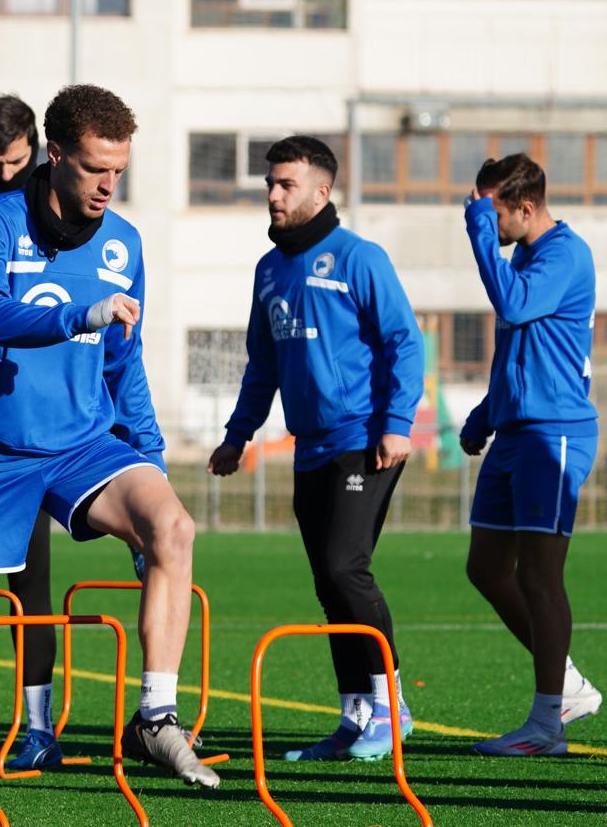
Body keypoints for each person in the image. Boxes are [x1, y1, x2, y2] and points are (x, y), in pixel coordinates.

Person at [0, 84, 217, 827]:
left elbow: (126, 362)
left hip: (83, 444)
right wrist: (74, 314)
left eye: (117, 171)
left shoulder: (124, 244)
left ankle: (155, 716)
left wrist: (147, 456)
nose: (106, 186)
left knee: (173, 529)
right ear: (57, 158)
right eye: (93, 169)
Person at [208, 136, 423, 762]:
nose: (273, 194)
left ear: (321, 191)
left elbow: (403, 343)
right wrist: (238, 434)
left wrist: (397, 422)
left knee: (343, 568)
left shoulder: (360, 257)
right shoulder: (269, 270)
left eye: (286, 185)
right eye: (270, 184)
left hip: (365, 441)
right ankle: (355, 715)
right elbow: (263, 363)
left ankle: (392, 706)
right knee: (329, 587)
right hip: (310, 447)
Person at [460, 153, 602, 756]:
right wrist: (485, 413)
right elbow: (519, 351)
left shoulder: (566, 254)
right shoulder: (520, 256)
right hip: (515, 430)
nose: (485, 223)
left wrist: (478, 240)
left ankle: (548, 723)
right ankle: (566, 682)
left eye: (491, 212)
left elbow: (514, 307)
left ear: (524, 206)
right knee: (486, 569)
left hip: (555, 434)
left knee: (540, 576)